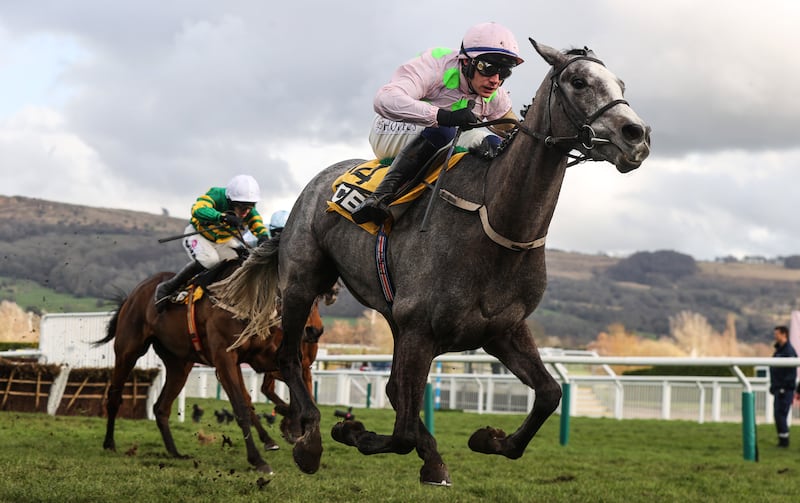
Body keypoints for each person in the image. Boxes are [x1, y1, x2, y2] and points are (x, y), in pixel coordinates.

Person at [351, 22, 524, 225]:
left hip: (439, 136)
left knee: (494, 143)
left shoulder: (495, 93)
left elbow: (511, 128)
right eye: (488, 68)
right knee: (453, 132)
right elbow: (384, 99)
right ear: (466, 62)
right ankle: (379, 197)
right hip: (389, 130)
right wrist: (444, 116)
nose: (495, 80)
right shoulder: (435, 65)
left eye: (504, 72)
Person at [154, 174, 269, 306]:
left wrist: (263, 236)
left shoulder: (249, 211)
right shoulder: (216, 195)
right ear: (231, 201)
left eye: (250, 206)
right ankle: (168, 287)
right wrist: (221, 217)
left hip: (223, 241)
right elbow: (197, 209)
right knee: (210, 260)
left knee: (238, 263)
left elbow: (256, 222)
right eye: (242, 207)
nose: (246, 212)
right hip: (198, 235)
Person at [769, 325, 798, 447]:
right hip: (778, 388)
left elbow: (791, 373)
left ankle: (784, 441)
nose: (775, 336)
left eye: (777, 334)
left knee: (781, 414)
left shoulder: (789, 351)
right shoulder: (779, 350)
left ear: (784, 334)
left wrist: (783, 387)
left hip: (785, 389)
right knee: (778, 414)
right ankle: (782, 440)